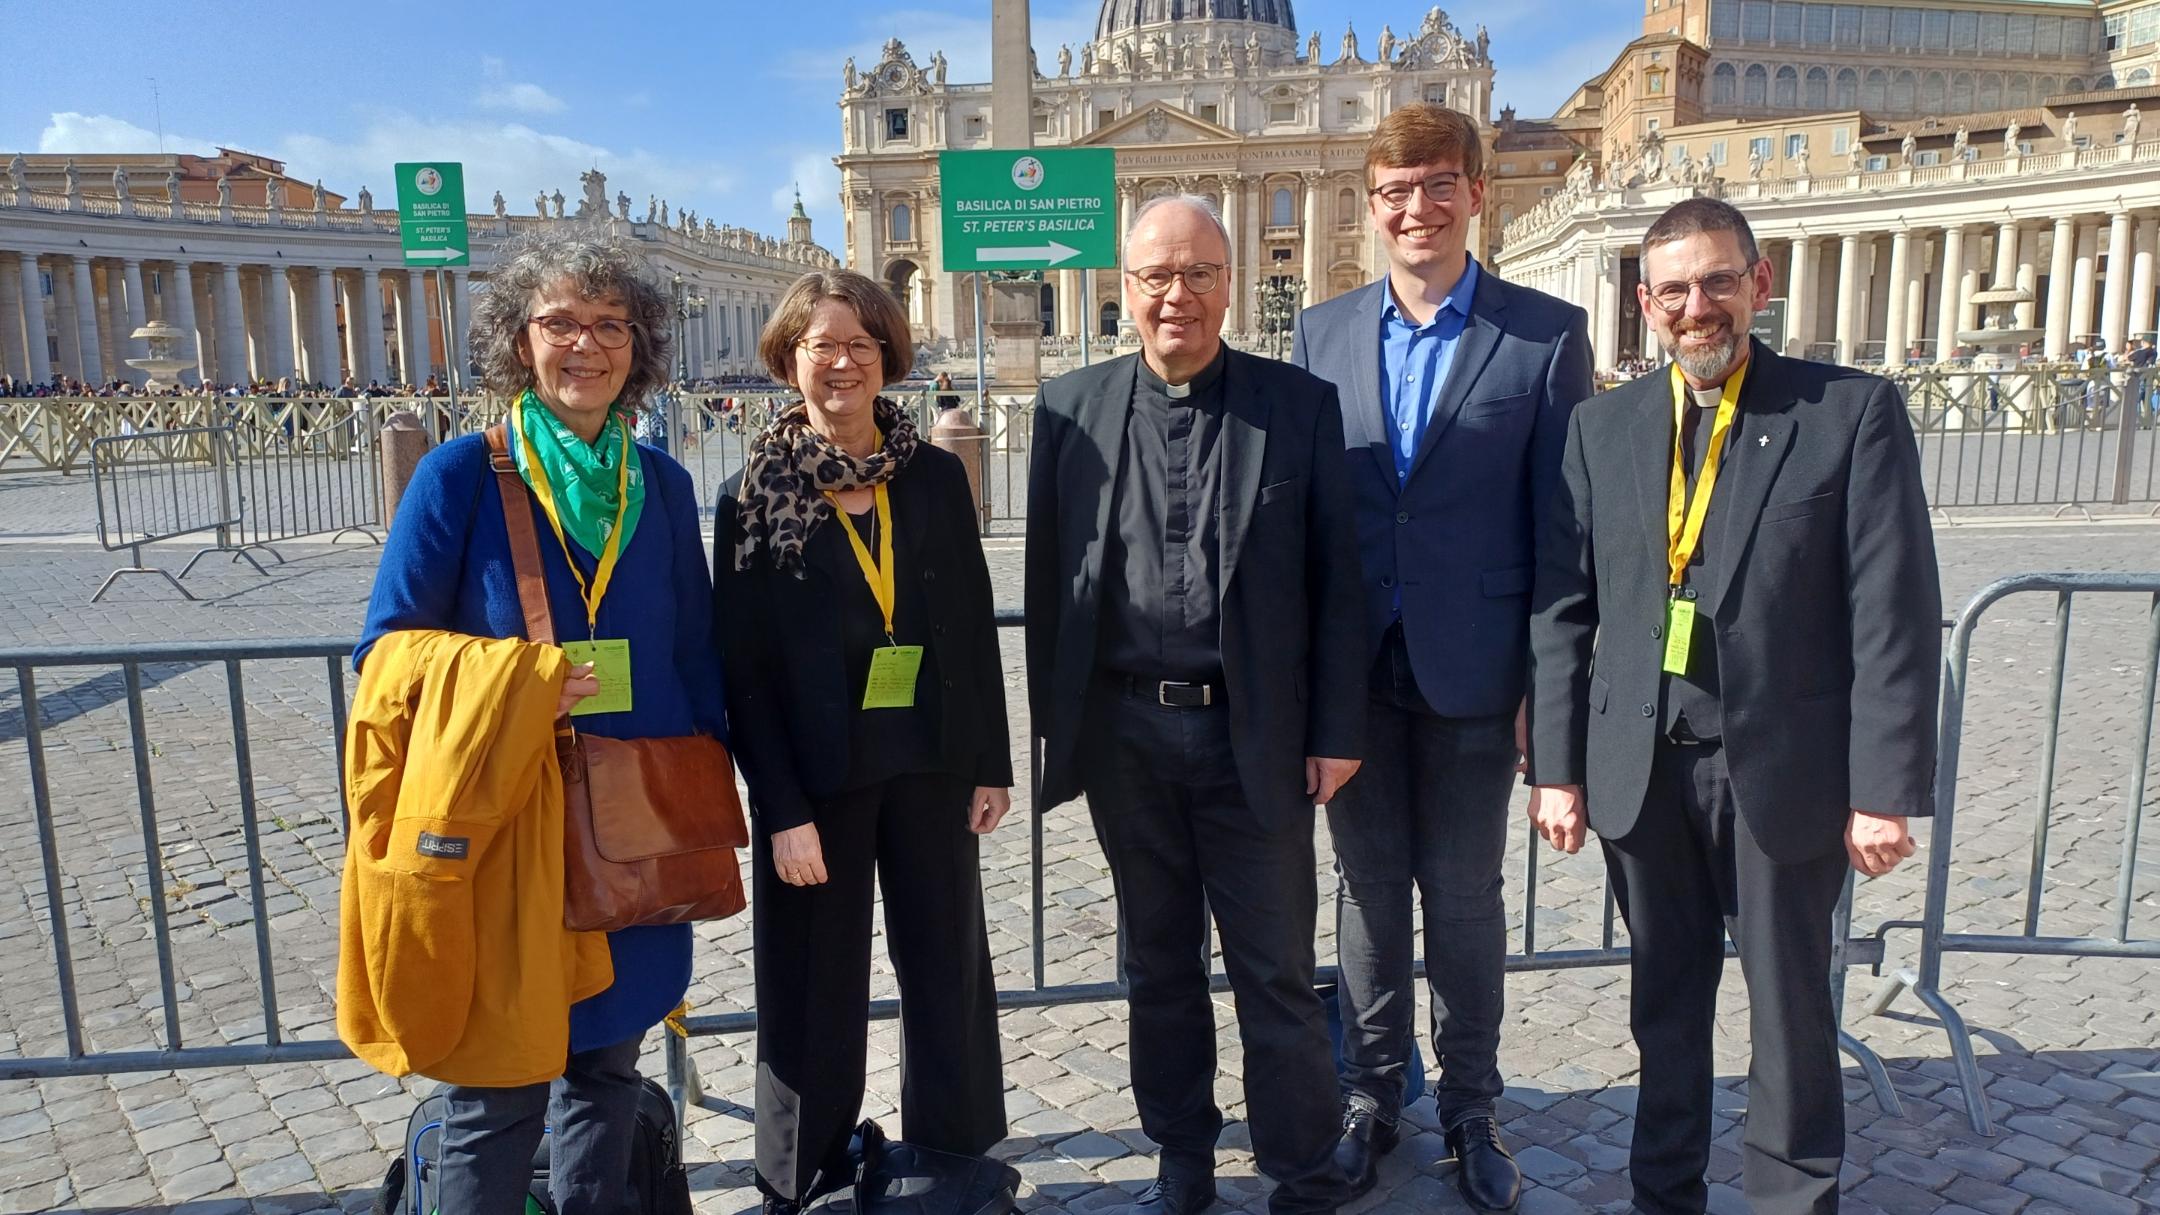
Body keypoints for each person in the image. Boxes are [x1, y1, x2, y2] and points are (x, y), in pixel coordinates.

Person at [1525, 197, 1939, 1215]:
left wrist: (1883, 789)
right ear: (1644, 302)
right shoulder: (1600, 428)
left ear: (1759, 283)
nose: (1695, 307)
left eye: (1717, 282)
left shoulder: (1847, 412)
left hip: (1782, 768)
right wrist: (1557, 769)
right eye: (1674, 289)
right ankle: (1663, 1193)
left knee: (1791, 1010)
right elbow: (1563, 612)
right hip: (1642, 768)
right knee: (1663, 1005)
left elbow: (1891, 609)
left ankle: (1794, 1197)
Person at [353, 228, 726, 1215]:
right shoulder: (460, 478)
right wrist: (517, 681)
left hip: (633, 826)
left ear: (638, 348)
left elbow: (694, 652)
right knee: (498, 1089)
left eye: (611, 326)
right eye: (561, 322)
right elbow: (383, 655)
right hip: (510, 827)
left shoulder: (665, 482)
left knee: (608, 1075)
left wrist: (703, 793)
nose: (586, 346)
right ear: (520, 341)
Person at [1024, 195, 1366, 1215]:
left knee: (1274, 966)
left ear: (1233, 281)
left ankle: (1300, 1160)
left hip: (1251, 730)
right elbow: (1051, 581)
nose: (1178, 295)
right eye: (1155, 276)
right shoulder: (1067, 408)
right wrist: (1060, 731)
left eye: (1199, 274)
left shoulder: (1297, 405)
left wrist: (1337, 730)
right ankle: (1181, 1152)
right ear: (1124, 287)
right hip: (1127, 732)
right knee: (1156, 962)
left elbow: (1337, 582)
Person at [1290, 102, 1594, 1212]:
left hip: (1479, 674)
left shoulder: (1546, 333)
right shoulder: (1322, 333)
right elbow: (1312, 523)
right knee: (1367, 899)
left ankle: (1473, 1105)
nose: (1415, 207)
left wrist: (1544, 697)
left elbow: (1565, 528)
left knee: (1463, 900)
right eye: (1393, 190)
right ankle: (1373, 1097)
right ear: (1371, 208)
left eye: (1435, 184)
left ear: (1476, 194)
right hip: (1357, 672)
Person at [714, 269, 1012, 1215]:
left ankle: (953, 1159)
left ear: (887, 357)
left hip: (928, 765)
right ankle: (798, 1172)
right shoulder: (754, 490)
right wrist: (782, 811)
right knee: (810, 984)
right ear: (788, 357)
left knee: (948, 967)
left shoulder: (928, 474)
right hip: (817, 782)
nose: (842, 363)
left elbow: (969, 623)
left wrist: (990, 762)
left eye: (862, 346)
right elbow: (745, 671)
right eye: (821, 345)